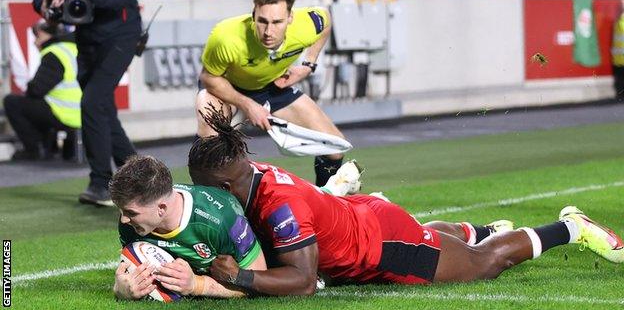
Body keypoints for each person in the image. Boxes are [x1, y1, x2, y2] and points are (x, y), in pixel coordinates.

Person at [187, 107, 624, 296]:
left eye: (203, 187)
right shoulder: (251, 176)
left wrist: (239, 278)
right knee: (441, 241)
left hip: (381, 246)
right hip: (361, 217)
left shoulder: (276, 206)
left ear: (224, 186)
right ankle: (484, 228)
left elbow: (301, 282)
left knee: (482, 264)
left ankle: (572, 227)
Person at [196, 0, 345, 187]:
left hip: (269, 87)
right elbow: (209, 77)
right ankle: (208, 206)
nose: (268, 31)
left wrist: (308, 65)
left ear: (290, 18)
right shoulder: (225, 36)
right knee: (210, 142)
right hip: (224, 86)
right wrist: (248, 105)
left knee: (334, 149)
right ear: (253, 15)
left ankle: (326, 205)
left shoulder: (307, 24)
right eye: (262, 21)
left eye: (277, 22)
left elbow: (326, 21)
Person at [33, 0, 142, 207]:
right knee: (103, 110)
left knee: (93, 102)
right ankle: (141, 177)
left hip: (121, 33)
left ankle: (101, 183)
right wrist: (47, 3)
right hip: (86, 34)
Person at [110, 155, 267, 300]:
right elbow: (129, 272)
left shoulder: (221, 219)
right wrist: (120, 289)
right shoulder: (131, 224)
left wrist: (197, 285)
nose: (124, 219)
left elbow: (259, 282)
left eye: (130, 212)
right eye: (122, 211)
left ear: (161, 209)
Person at [3, 21, 81, 161]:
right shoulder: (73, 48)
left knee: (12, 102)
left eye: (37, 36)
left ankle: (33, 149)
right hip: (83, 112)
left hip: (65, 113)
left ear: (46, 35)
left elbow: (37, 90)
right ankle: (51, 147)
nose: (34, 42)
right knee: (38, 105)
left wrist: (29, 87)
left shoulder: (54, 53)